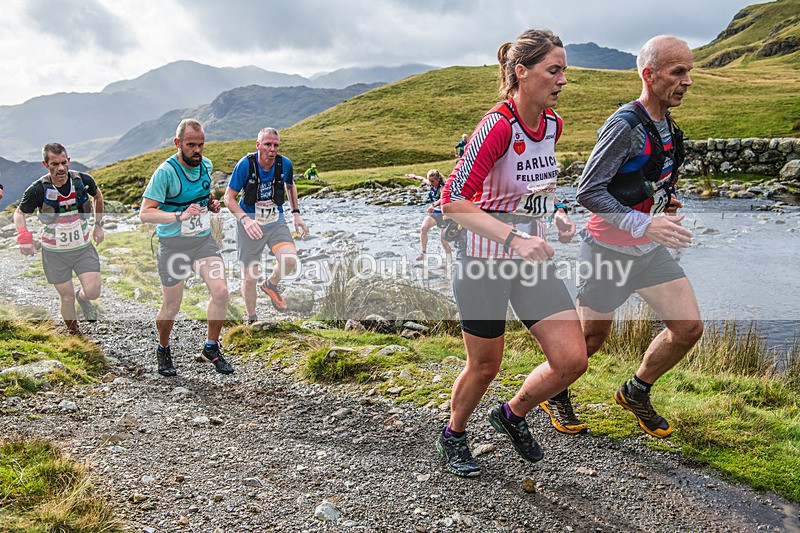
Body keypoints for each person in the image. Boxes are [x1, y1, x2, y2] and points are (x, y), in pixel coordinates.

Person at [436, 29, 587, 478]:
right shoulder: (497, 125)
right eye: (553, 70)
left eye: (564, 71)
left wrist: (556, 211)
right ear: (521, 72)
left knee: (571, 359)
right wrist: (514, 238)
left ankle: (512, 414)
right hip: (483, 260)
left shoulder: (553, 125)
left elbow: (535, 186)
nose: (562, 80)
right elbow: (453, 201)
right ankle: (454, 434)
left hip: (530, 261)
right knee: (485, 365)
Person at [542, 35, 702, 439]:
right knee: (590, 341)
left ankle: (635, 391)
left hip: (648, 252)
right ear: (649, 75)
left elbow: (642, 179)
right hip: (608, 251)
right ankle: (555, 393)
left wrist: (665, 201)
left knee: (688, 329)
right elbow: (588, 190)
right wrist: (644, 223)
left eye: (689, 71)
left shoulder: (668, 126)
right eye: (677, 72)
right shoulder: (624, 125)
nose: (687, 81)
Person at [140, 119, 234, 376]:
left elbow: (203, 195)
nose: (197, 150)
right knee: (172, 306)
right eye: (191, 144)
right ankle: (163, 348)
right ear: (177, 143)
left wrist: (211, 204)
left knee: (221, 291)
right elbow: (145, 214)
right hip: (173, 245)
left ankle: (211, 347)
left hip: (202, 240)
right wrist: (179, 216)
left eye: (201, 144)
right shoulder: (165, 173)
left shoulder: (206, 165)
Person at [14, 143, 104, 335]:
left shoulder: (82, 181)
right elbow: (19, 213)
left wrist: (98, 225)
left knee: (93, 290)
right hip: (54, 253)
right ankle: (75, 335)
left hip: (82, 248)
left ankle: (83, 298)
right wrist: (24, 236)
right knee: (66, 296)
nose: (61, 168)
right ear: (46, 164)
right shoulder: (39, 189)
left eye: (64, 163)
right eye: (55, 164)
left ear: (68, 161)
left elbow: (97, 195)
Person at [223, 127, 308, 326]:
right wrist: (245, 220)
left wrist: (297, 215)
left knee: (290, 260)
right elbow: (228, 198)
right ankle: (252, 319)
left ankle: (270, 285)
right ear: (258, 145)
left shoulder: (284, 164)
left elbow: (290, 185)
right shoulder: (246, 165)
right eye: (268, 144)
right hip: (250, 224)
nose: (272, 149)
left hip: (275, 221)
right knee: (250, 278)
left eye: (276, 145)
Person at [405, 169, 452, 262]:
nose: (430, 183)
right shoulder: (431, 184)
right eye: (429, 181)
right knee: (424, 228)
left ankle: (450, 260)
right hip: (435, 213)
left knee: (443, 240)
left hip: (443, 214)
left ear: (438, 179)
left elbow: (442, 199)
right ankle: (423, 253)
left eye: (432, 181)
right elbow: (422, 179)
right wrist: (413, 176)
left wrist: (433, 205)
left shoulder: (443, 188)